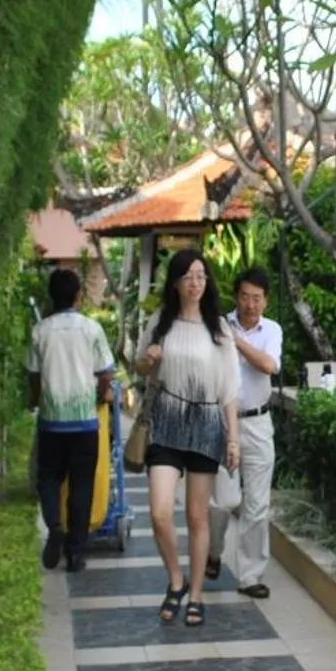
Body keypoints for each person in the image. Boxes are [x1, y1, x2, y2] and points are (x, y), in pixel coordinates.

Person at [134, 249, 239, 627]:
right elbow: (139, 366)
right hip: (166, 421)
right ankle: (175, 580)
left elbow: (230, 389)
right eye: (188, 276)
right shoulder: (160, 321)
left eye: (201, 275)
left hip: (206, 423)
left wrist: (233, 438)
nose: (195, 283)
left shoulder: (219, 328)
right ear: (176, 283)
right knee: (159, 512)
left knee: (197, 516)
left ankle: (195, 594)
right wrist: (149, 359)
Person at [26, 268, 115, 572]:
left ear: (52, 297)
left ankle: (54, 526)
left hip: (52, 421)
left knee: (48, 478)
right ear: (78, 296)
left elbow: (34, 377)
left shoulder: (40, 331)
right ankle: (75, 553)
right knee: (82, 485)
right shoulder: (92, 329)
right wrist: (101, 396)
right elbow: (106, 372)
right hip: (85, 423)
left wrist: (34, 401)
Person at [208, 267, 281, 599]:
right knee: (222, 500)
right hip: (223, 423)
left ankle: (250, 576)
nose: (250, 305)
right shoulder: (217, 326)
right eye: (245, 297)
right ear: (236, 297)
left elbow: (268, 366)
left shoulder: (272, 330)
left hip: (258, 423)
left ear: (266, 301)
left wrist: (235, 341)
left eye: (257, 298)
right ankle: (213, 552)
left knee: (257, 504)